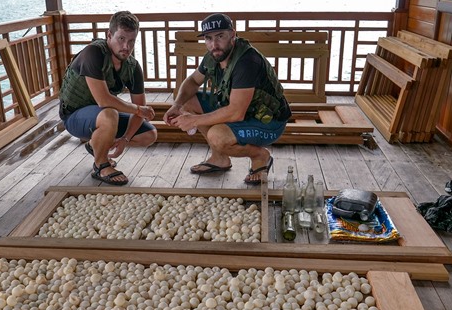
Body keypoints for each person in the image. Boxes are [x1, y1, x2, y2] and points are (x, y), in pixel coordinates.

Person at [163, 13, 292, 185]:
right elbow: (193, 81)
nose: (214, 44)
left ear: (233, 34)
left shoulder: (247, 61)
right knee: (187, 101)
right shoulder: (214, 55)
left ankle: (260, 156)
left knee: (217, 136)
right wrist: (177, 105)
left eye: (220, 36)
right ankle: (219, 158)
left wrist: (194, 120)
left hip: (268, 122)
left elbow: (236, 113)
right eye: (208, 38)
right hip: (242, 111)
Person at [59, 11, 157, 185]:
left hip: (101, 116)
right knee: (110, 113)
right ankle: (101, 165)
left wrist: (125, 140)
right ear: (109, 35)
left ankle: (95, 144)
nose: (126, 46)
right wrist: (138, 110)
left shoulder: (133, 67)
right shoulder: (93, 53)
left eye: (131, 41)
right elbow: (104, 100)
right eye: (121, 39)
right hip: (74, 116)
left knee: (149, 134)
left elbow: (140, 111)